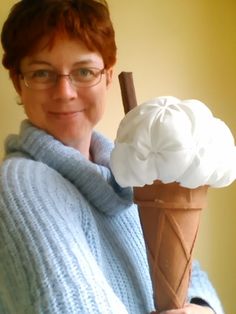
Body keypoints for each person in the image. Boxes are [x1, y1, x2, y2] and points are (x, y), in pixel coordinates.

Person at [0, 1, 224, 313]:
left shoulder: (130, 171)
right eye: (41, 72)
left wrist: (202, 307)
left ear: (108, 76)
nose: (64, 91)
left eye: (83, 71)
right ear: (17, 83)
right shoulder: (19, 185)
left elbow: (194, 277)